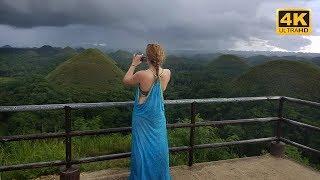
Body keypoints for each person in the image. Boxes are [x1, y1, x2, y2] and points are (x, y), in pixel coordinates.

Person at [122, 43, 172, 180]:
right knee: (159, 146)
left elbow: (126, 80)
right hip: (158, 116)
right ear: (161, 57)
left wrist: (133, 64)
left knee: (141, 149)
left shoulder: (142, 74)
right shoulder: (167, 73)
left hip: (142, 117)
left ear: (147, 58)